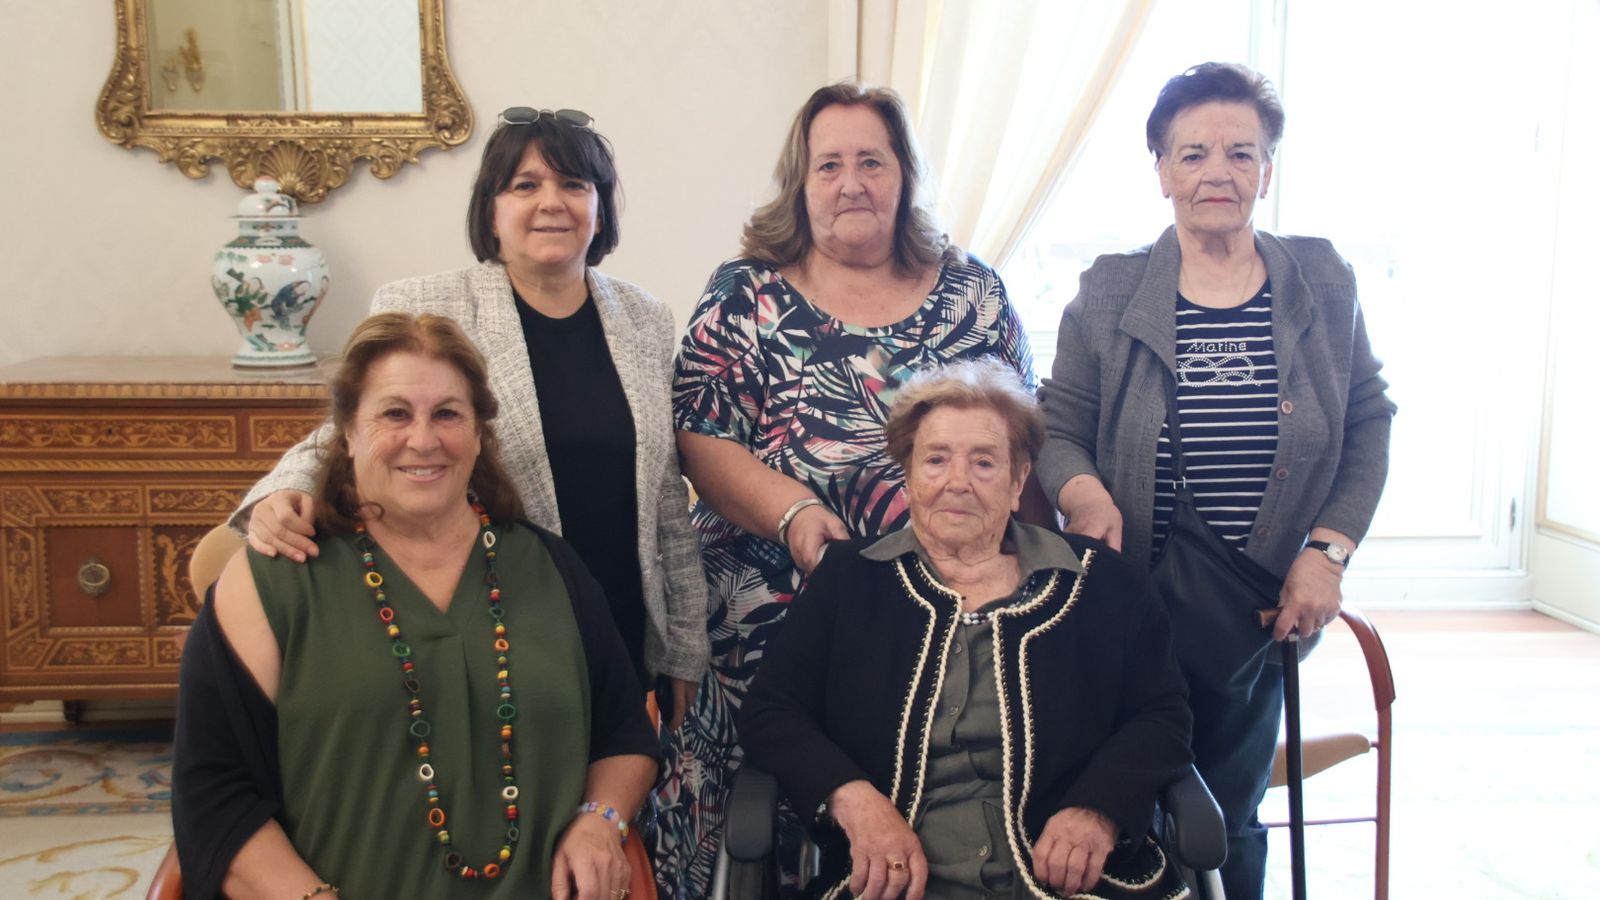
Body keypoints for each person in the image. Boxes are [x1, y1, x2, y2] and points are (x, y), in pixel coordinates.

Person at [655, 83, 1037, 896]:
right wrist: (795, 514)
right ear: (801, 182)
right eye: (828, 164)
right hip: (774, 591)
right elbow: (699, 436)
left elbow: (1014, 439)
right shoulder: (744, 294)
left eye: (872, 160)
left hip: (946, 602)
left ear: (904, 176)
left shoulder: (974, 293)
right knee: (766, 804)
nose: (851, 182)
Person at [1036, 62, 1396, 899]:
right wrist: (1085, 494)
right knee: (1117, 792)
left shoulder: (1322, 279)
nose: (1217, 174)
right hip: (1132, 593)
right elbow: (1060, 427)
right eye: (1192, 153)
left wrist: (1328, 553)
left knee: (1226, 812)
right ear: (1161, 169)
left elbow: (1369, 423)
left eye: (1242, 153)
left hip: (1258, 604)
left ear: (1267, 169)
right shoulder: (1112, 288)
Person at [235, 107, 709, 725]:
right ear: (491, 208)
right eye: (525, 185)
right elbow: (349, 431)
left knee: (613, 798)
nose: (552, 202)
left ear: (601, 206)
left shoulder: (644, 317)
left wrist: (684, 647)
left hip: (619, 617)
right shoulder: (425, 305)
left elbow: (666, 497)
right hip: (493, 619)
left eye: (574, 184)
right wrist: (283, 493)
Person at [172, 312, 660, 899]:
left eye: (448, 414)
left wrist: (601, 821)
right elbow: (213, 797)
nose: (423, 440)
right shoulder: (273, 580)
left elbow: (624, 736)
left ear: (479, 433)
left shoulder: (552, 569)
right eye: (394, 414)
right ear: (347, 432)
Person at [739, 358, 1192, 900]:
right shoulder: (849, 579)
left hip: (1069, 881)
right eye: (935, 459)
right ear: (907, 474)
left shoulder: (1106, 585)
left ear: (1019, 479)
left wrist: (1098, 809)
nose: (958, 482)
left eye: (984, 463)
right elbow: (772, 711)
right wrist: (854, 800)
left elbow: (1163, 714)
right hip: (896, 882)